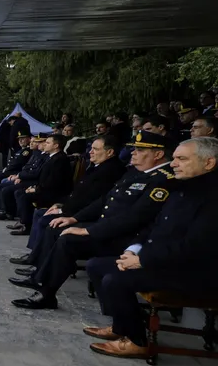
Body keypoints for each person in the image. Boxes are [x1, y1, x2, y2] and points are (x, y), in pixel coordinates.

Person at [84, 137, 218, 358]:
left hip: (195, 271)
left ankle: (137, 341)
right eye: (174, 158)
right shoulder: (182, 187)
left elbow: (196, 247)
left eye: (182, 159)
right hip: (164, 260)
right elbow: (155, 226)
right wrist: (133, 249)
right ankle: (121, 326)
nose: (173, 164)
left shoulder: (211, 198)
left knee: (116, 279)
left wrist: (143, 260)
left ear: (209, 163)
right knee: (97, 266)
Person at [10, 131, 175, 309]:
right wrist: (74, 218)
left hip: (127, 237)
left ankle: (45, 292)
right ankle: (42, 285)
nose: (133, 153)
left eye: (140, 150)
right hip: (107, 227)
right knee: (61, 230)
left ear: (158, 154)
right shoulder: (135, 172)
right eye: (134, 149)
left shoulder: (163, 180)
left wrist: (88, 230)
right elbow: (105, 199)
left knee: (68, 239)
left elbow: (134, 218)